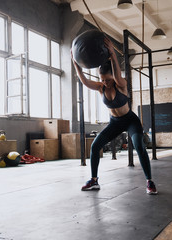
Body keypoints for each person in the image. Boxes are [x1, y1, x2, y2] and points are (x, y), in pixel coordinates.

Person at [71, 37, 158, 195]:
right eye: (102, 79)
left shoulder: (121, 84)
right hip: (115, 122)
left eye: (107, 79)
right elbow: (83, 80)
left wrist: (112, 54)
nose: (105, 82)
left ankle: (149, 181)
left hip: (130, 121)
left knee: (139, 146)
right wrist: (75, 61)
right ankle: (94, 181)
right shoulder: (100, 87)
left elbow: (117, 75)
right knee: (95, 146)